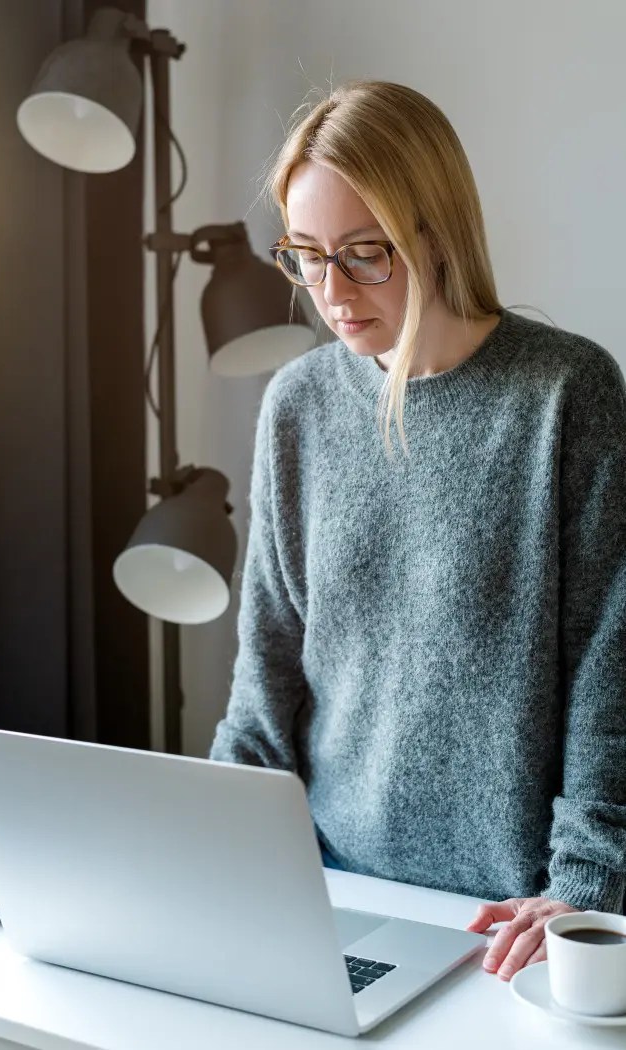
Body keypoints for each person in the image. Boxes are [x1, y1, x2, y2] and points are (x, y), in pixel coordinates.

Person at [209, 80, 626, 984]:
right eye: (305, 255)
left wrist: (587, 887)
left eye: (364, 254)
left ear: (435, 235)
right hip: (324, 895)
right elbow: (268, 670)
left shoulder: (564, 394)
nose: (329, 290)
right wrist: (210, 847)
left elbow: (609, 665)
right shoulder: (300, 406)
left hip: (504, 922)